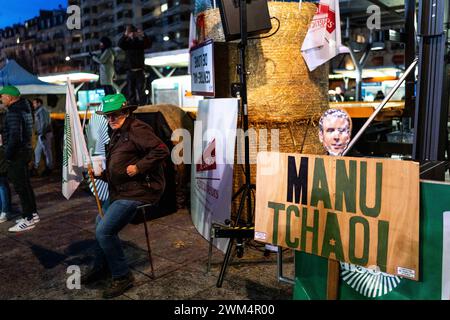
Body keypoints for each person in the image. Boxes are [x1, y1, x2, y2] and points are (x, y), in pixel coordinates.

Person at [81, 93, 169, 298]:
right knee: (99, 220)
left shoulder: (137, 128)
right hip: (123, 190)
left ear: (127, 111)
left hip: (140, 191)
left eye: (115, 115)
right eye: (107, 116)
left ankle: (122, 276)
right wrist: (101, 176)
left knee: (104, 231)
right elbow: (120, 168)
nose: (110, 119)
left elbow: (162, 150)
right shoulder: (118, 132)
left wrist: (139, 167)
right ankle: (102, 266)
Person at [0, 86, 39, 232]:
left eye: (2, 96)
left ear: (10, 97)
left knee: (21, 187)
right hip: (25, 151)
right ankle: (33, 214)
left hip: (17, 154)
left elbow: (15, 136)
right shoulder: (25, 108)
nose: (1, 98)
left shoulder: (13, 112)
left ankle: (28, 218)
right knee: (26, 185)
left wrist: (7, 154)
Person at [118, 25, 151, 106]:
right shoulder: (127, 44)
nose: (132, 34)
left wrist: (143, 35)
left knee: (141, 90)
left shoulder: (140, 43)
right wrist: (125, 35)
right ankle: (133, 106)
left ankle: (143, 106)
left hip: (140, 70)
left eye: (133, 32)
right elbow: (120, 44)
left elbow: (148, 44)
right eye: (130, 33)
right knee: (131, 91)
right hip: (130, 71)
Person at [31, 98, 53, 176]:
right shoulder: (40, 111)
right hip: (42, 134)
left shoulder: (42, 111)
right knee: (38, 151)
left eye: (34, 103)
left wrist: (43, 133)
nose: (33, 105)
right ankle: (36, 168)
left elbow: (44, 123)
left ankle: (49, 168)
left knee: (47, 152)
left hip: (45, 134)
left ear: (39, 103)